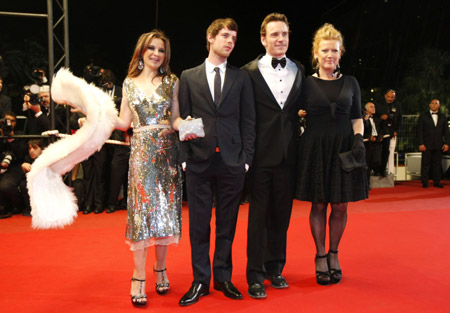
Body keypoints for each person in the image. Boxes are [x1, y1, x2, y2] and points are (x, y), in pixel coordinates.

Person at [178, 18, 255, 306]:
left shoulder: (241, 77)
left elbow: (248, 120)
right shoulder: (188, 76)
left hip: (233, 161)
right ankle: (201, 280)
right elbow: (183, 116)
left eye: (234, 38)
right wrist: (185, 159)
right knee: (199, 224)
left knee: (227, 224)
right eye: (224, 36)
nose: (230, 41)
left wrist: (246, 159)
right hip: (197, 160)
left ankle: (223, 277)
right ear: (210, 38)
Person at [112, 30, 184, 307]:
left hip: (167, 154)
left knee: (165, 213)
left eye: (161, 50)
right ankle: (138, 274)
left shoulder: (172, 82)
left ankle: (161, 268)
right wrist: (92, 117)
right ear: (141, 51)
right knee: (142, 214)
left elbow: (175, 119)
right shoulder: (129, 83)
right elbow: (122, 122)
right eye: (151, 48)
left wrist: (188, 125)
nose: (156, 53)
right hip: (141, 153)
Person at [295, 23, 369, 286]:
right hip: (315, 148)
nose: (329, 55)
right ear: (316, 53)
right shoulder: (304, 84)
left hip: (344, 148)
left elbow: (357, 117)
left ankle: (334, 253)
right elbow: (289, 112)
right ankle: (320, 255)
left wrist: (359, 138)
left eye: (334, 50)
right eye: (324, 50)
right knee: (318, 203)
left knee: (340, 205)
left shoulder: (352, 83)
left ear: (341, 53)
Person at [241, 12, 304, 299]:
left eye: (285, 34)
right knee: (257, 218)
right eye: (274, 34)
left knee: (282, 216)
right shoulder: (248, 72)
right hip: (259, 157)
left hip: (289, 156)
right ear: (263, 38)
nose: (280, 39)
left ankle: (275, 268)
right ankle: (254, 275)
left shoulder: (299, 69)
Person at [0, 112, 28, 218]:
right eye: (7, 120)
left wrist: (11, 138)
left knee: (6, 186)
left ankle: (20, 206)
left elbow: (21, 154)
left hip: (15, 166)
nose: (9, 123)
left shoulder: (20, 134)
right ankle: (5, 207)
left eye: (12, 121)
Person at [417, 99, 450, 188]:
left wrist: (447, 143)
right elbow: (419, 131)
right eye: (432, 103)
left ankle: (437, 181)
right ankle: (425, 182)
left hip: (439, 144)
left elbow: (446, 132)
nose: (434, 105)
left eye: (436, 104)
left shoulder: (443, 116)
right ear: (429, 105)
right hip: (426, 144)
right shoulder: (423, 116)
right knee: (425, 164)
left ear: (439, 106)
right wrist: (421, 143)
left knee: (437, 164)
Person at [376, 89, 402, 176]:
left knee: (389, 152)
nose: (390, 99)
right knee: (379, 152)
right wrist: (381, 117)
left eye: (392, 97)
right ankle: (378, 170)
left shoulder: (397, 105)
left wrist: (395, 130)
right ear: (385, 96)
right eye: (389, 96)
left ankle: (389, 172)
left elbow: (399, 119)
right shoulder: (378, 104)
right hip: (380, 132)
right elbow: (374, 117)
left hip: (391, 132)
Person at [19, 138, 48, 216]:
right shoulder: (27, 158)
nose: (31, 151)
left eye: (35, 148)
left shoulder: (47, 158)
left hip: (46, 182)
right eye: (30, 148)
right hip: (33, 181)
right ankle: (30, 208)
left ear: (42, 149)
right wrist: (23, 166)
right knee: (23, 184)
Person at [363, 102, 382, 185]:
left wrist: (380, 136)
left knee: (376, 161)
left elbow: (380, 129)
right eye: (371, 107)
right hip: (367, 143)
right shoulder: (363, 119)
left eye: (374, 106)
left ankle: (375, 171)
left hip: (377, 142)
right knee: (367, 162)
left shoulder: (377, 119)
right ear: (366, 109)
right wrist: (369, 137)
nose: (373, 108)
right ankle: (366, 183)